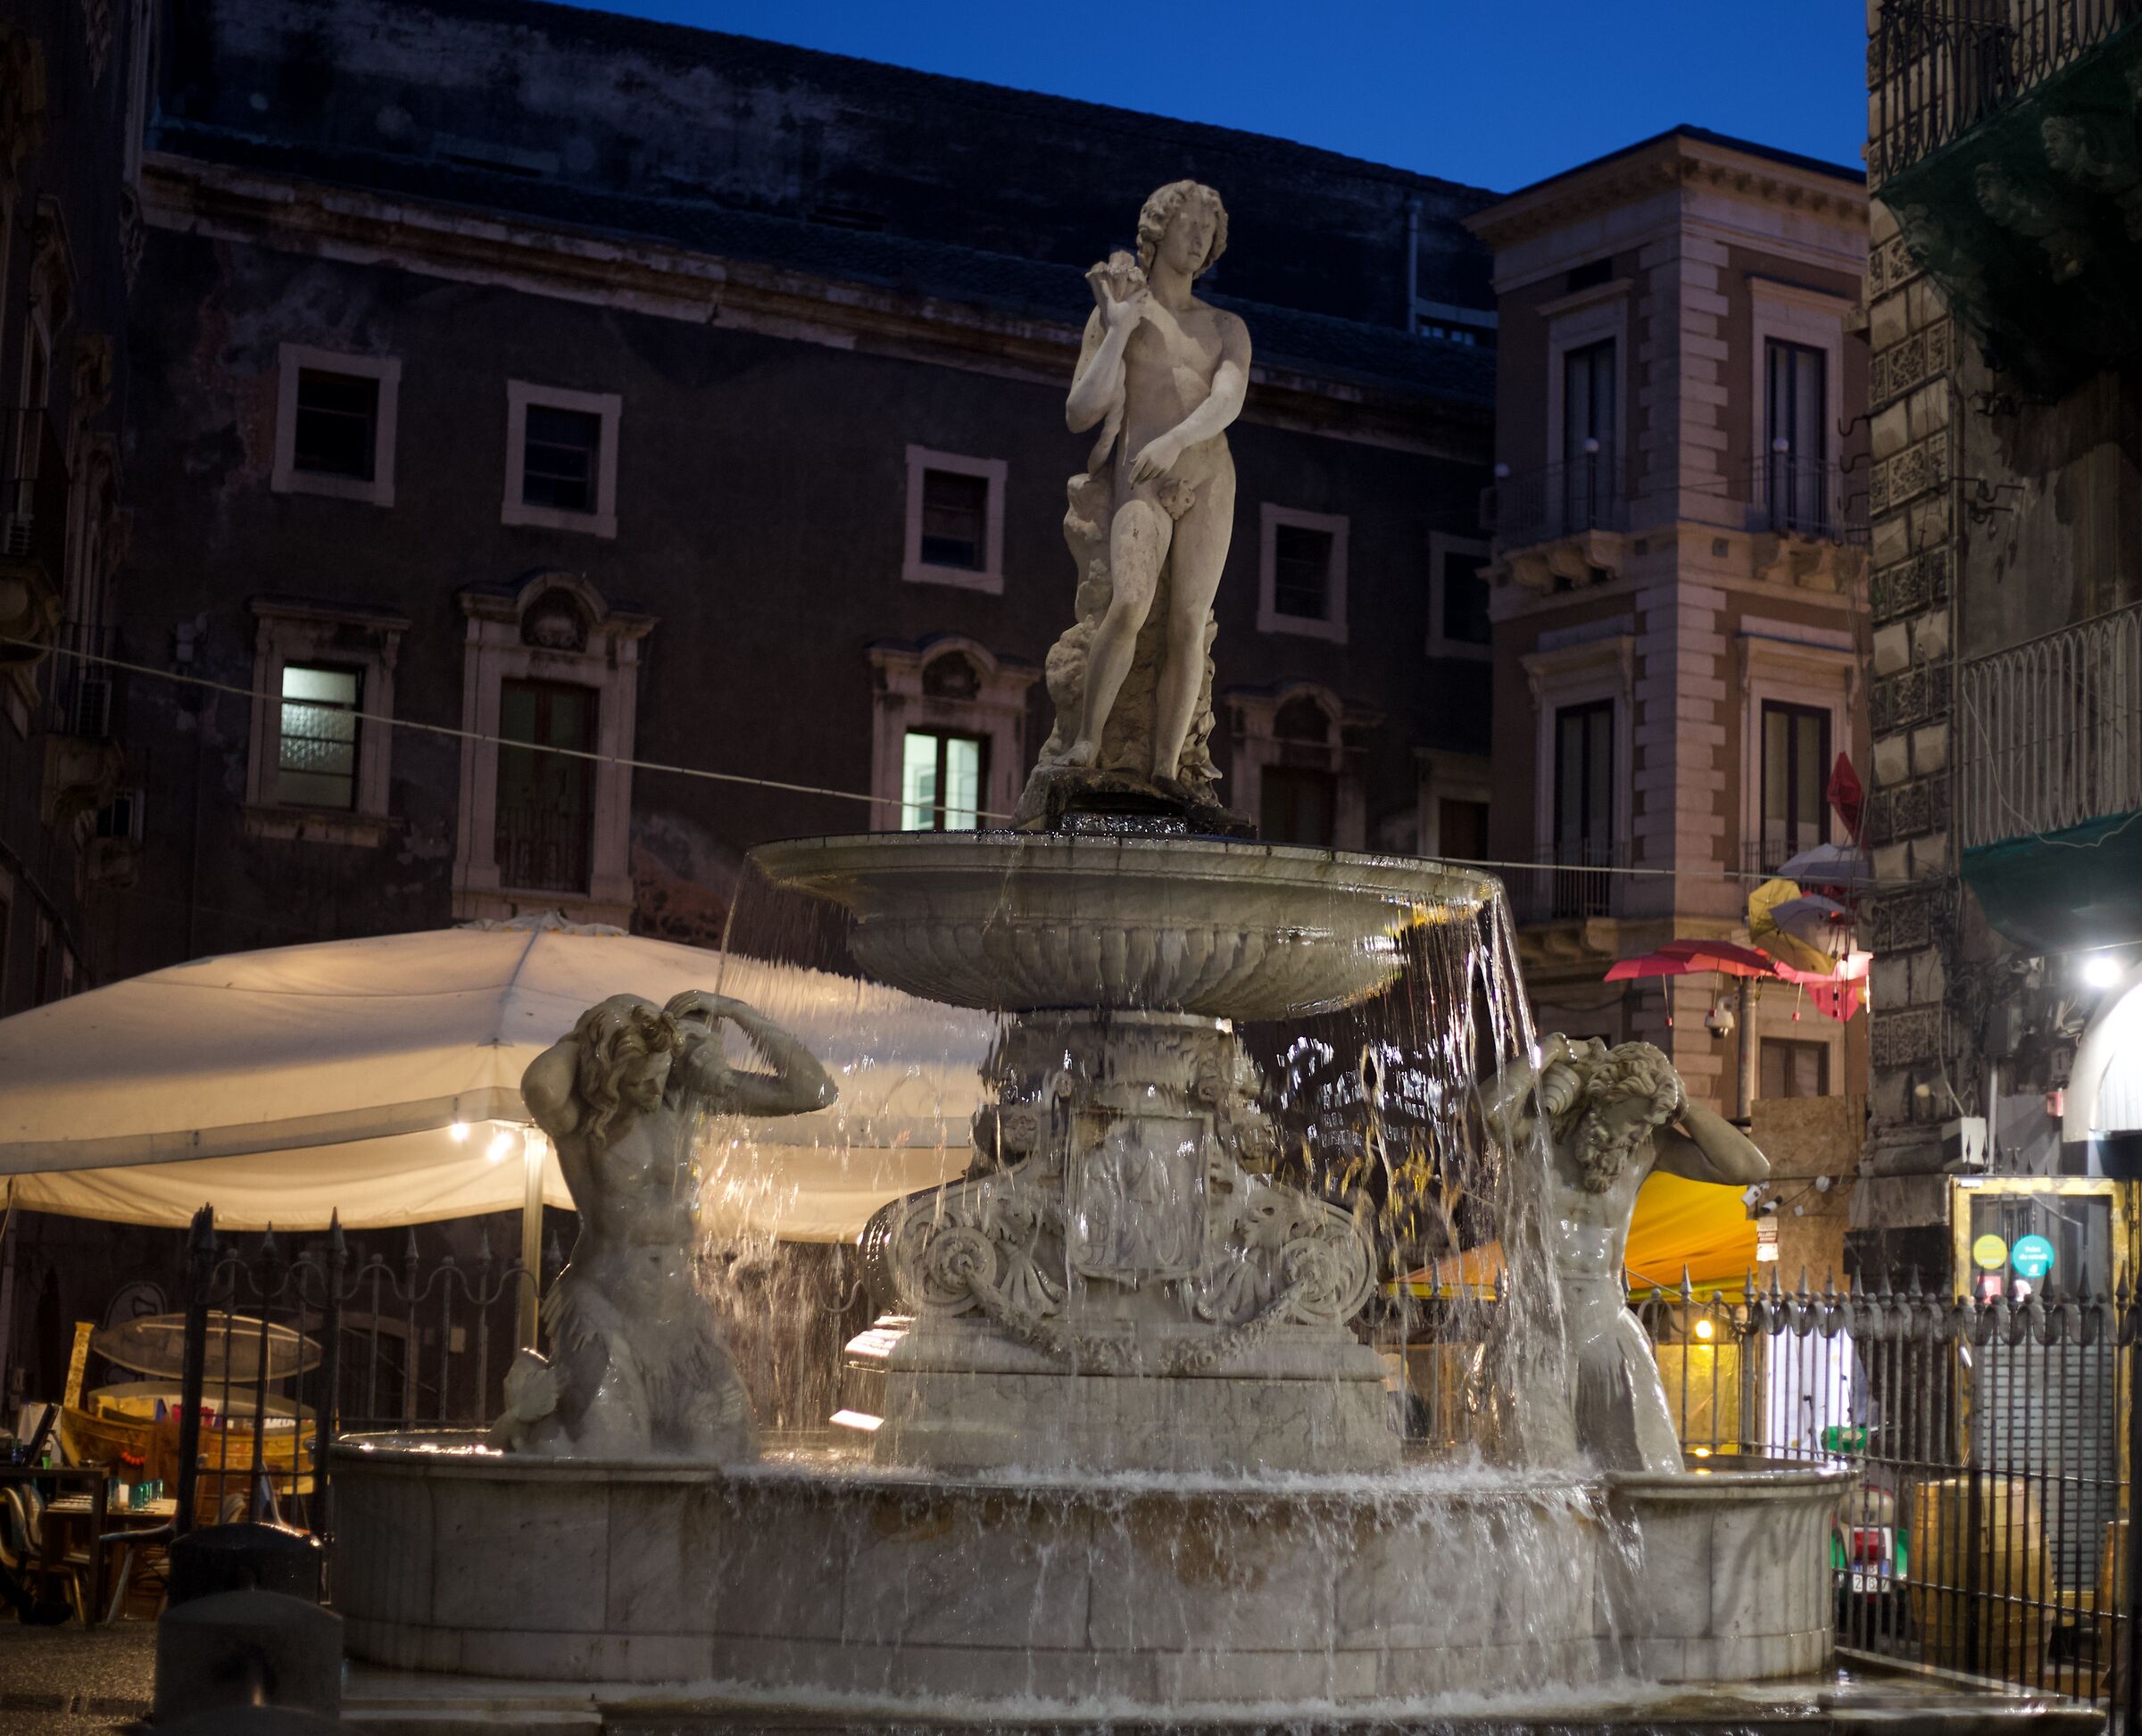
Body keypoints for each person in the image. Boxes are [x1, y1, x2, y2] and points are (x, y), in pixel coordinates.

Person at [495, 990, 834, 1459]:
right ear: (609, 1073)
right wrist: (593, 1034)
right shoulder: (583, 1120)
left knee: (732, 1453)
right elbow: (541, 1085)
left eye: (661, 1073)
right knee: (613, 1452)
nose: (656, 1089)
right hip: (603, 1312)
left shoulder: (688, 1100)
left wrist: (738, 1013)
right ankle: (522, 1424)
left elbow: (814, 1092)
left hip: (682, 1321)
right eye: (641, 1081)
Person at [1481, 1035, 1769, 1473]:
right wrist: (1552, 1048)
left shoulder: (1647, 1149)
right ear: (1605, 1099)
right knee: (1540, 1480)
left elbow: (1750, 1168)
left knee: (1649, 1470)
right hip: (1535, 1324)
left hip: (1606, 1325)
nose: (1637, 1133)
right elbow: (1489, 1113)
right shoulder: (1536, 1135)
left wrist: (1685, 1106)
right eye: (1634, 1120)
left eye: (1649, 1124)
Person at [1059, 179, 1250, 784]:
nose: (1198, 239)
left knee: (1189, 623)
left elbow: (1228, 400)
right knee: (1130, 603)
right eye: (1188, 225)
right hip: (1141, 475)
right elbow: (1080, 412)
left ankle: (1167, 770)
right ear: (1158, 230)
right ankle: (1087, 740)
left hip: (1207, 475)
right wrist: (1118, 329)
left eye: (1208, 231)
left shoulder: (1226, 326)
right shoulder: (1119, 311)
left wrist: (1176, 441)